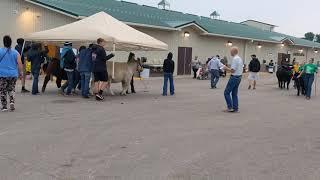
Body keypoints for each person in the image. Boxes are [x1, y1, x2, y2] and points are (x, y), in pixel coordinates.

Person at [0, 35, 23, 112]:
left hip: (2, 74)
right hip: (13, 74)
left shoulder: (0, 51)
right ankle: (12, 102)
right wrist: (21, 73)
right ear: (11, 43)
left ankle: (4, 107)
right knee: (11, 89)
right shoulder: (16, 52)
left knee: (3, 90)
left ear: (4, 42)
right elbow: (20, 63)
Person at [223, 47, 244, 113]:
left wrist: (225, 68)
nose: (230, 52)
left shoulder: (235, 59)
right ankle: (235, 108)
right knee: (234, 93)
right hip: (239, 77)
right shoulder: (240, 58)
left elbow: (233, 70)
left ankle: (230, 107)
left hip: (234, 77)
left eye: (230, 51)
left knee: (226, 92)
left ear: (233, 52)